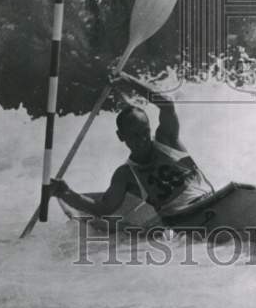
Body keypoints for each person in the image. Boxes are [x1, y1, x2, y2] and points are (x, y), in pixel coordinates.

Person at [52, 72, 214, 219]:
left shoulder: (167, 141)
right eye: (135, 136)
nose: (143, 139)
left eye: (145, 132)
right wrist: (67, 193)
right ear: (121, 137)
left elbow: (167, 105)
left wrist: (129, 80)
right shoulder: (125, 175)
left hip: (209, 201)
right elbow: (104, 208)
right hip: (181, 219)